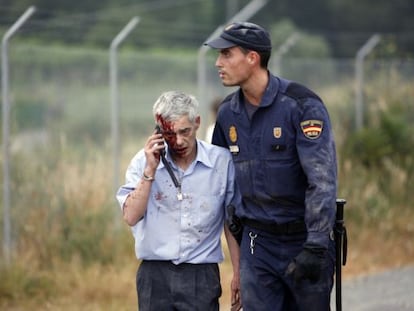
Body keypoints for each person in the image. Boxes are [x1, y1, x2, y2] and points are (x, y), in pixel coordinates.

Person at [204, 22, 337, 311]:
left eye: (227, 54)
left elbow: (322, 179)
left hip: (303, 238)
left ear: (252, 58)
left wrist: (315, 245)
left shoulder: (301, 105)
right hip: (258, 244)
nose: (218, 62)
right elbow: (220, 183)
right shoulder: (228, 114)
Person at [116, 90, 242, 311]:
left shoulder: (220, 163)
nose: (179, 141)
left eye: (185, 131)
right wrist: (150, 171)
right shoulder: (142, 162)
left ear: (197, 123)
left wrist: (239, 274)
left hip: (200, 274)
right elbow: (131, 216)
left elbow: (231, 223)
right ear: (158, 131)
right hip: (155, 274)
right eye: (170, 134)